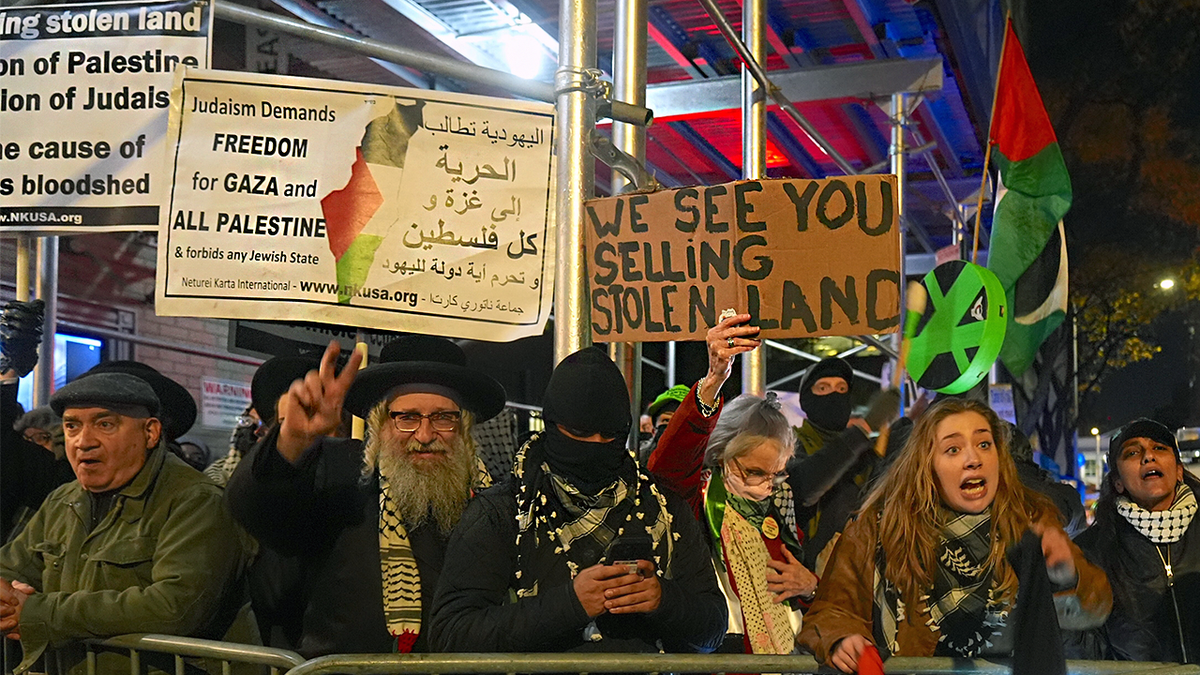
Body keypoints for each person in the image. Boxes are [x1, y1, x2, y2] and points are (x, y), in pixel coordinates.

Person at [431, 347, 727, 654]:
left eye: (610, 435)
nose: (596, 444)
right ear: (552, 424)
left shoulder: (663, 506)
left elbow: (713, 628)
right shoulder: (504, 512)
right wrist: (569, 605)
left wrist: (664, 600)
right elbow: (453, 634)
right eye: (580, 433)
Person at [226, 335, 506, 656]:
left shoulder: (493, 500)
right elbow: (258, 510)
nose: (425, 435)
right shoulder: (339, 473)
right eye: (407, 417)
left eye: (444, 417)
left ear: (464, 426)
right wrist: (292, 442)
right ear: (380, 423)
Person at [798, 398, 1111, 674]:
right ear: (926, 464)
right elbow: (831, 611)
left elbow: (1095, 604)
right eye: (953, 449)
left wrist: (1067, 574)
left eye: (984, 444)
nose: (973, 459)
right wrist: (843, 639)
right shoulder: (879, 527)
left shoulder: (1030, 520)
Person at [0, 372, 255, 674]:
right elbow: (10, 566)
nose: (83, 442)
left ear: (150, 432)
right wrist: (7, 601)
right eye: (71, 426)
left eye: (105, 424)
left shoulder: (195, 500)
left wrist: (42, 613)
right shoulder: (62, 500)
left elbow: (175, 606)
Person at [648, 312, 819, 654]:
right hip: (723, 655)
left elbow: (803, 591)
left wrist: (811, 587)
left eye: (776, 473)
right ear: (721, 455)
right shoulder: (698, 502)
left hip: (788, 657)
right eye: (754, 472)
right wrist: (714, 378)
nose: (767, 485)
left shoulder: (779, 507)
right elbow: (668, 465)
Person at [1064, 419, 1199, 663]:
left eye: (1159, 448)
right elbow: (1084, 650)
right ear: (1118, 482)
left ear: (1179, 471)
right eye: (1132, 453)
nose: (1148, 456)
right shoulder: (1090, 552)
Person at [790, 358, 900, 571]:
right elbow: (804, 487)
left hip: (859, 571)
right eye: (823, 388)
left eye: (841, 389)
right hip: (809, 573)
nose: (834, 395)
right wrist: (865, 427)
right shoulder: (791, 443)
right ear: (806, 399)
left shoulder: (865, 453)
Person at [0, 301, 74, 543]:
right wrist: (8, 370)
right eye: (27, 437)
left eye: (42, 437)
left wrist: (9, 370)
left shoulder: (54, 475)